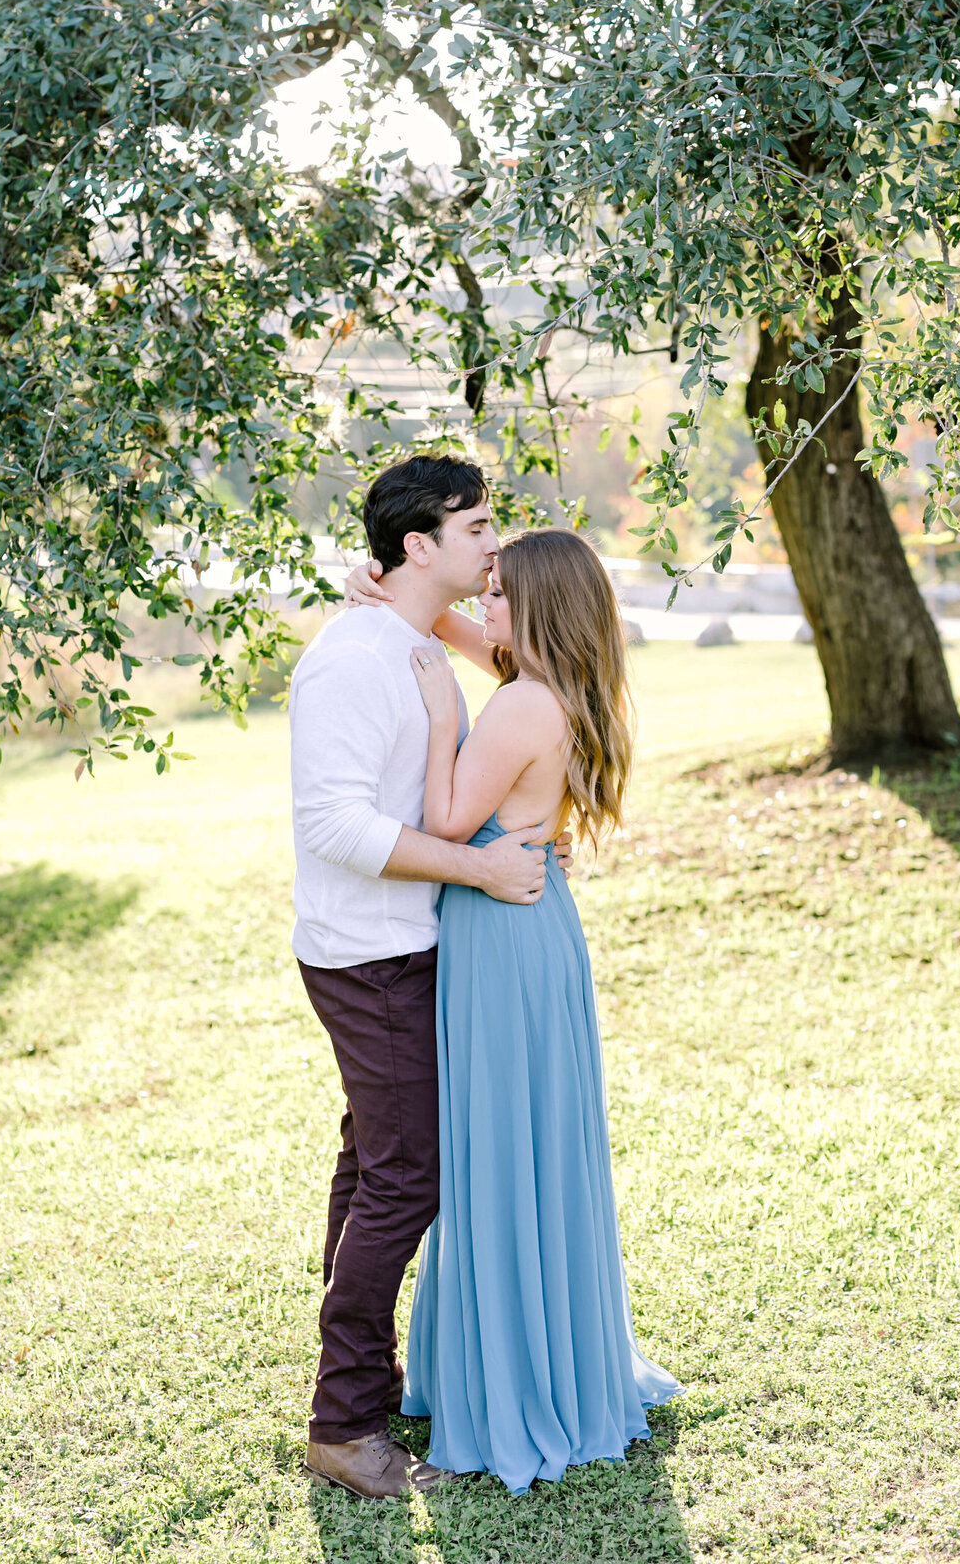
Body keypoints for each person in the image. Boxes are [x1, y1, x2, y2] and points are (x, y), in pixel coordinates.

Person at [344, 526, 683, 1494]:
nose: (483, 608)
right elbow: (477, 638)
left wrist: (441, 714)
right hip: (537, 937)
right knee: (533, 1152)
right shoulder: (557, 682)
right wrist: (408, 606)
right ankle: (545, 1353)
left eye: (497, 594)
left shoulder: (518, 707)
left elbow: (448, 821)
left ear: (533, 611)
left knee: (497, 1152)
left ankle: (514, 1385)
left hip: (500, 941)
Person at [289, 455, 573, 1501]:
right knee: (408, 1177)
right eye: (478, 528)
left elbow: (540, 678)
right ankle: (345, 1422)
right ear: (420, 545)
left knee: (378, 1164)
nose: (495, 544)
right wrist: (479, 865)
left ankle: (361, 1386)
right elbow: (331, 823)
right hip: (371, 956)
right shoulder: (354, 660)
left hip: (418, 946)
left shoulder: (414, 642)